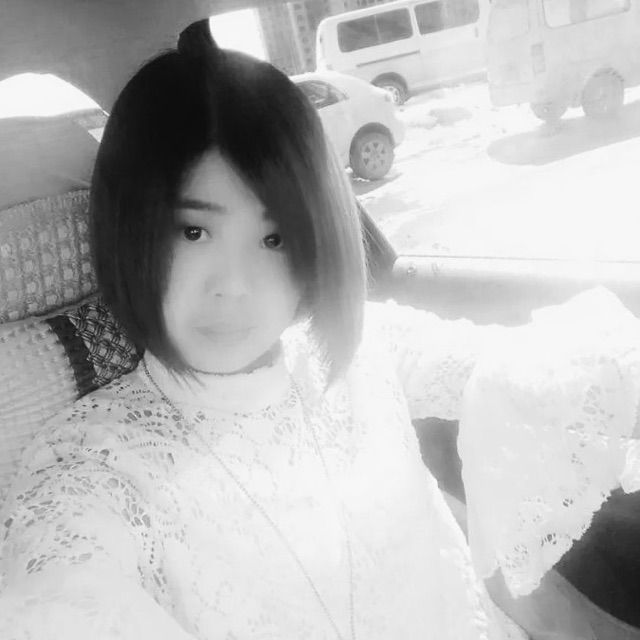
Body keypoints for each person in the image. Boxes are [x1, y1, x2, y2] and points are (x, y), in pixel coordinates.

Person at [1, 21, 639, 640]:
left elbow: (520, 367)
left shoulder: (358, 348)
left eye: (274, 238)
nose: (234, 285)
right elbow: (61, 593)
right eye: (193, 231)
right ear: (128, 227)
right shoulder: (92, 469)